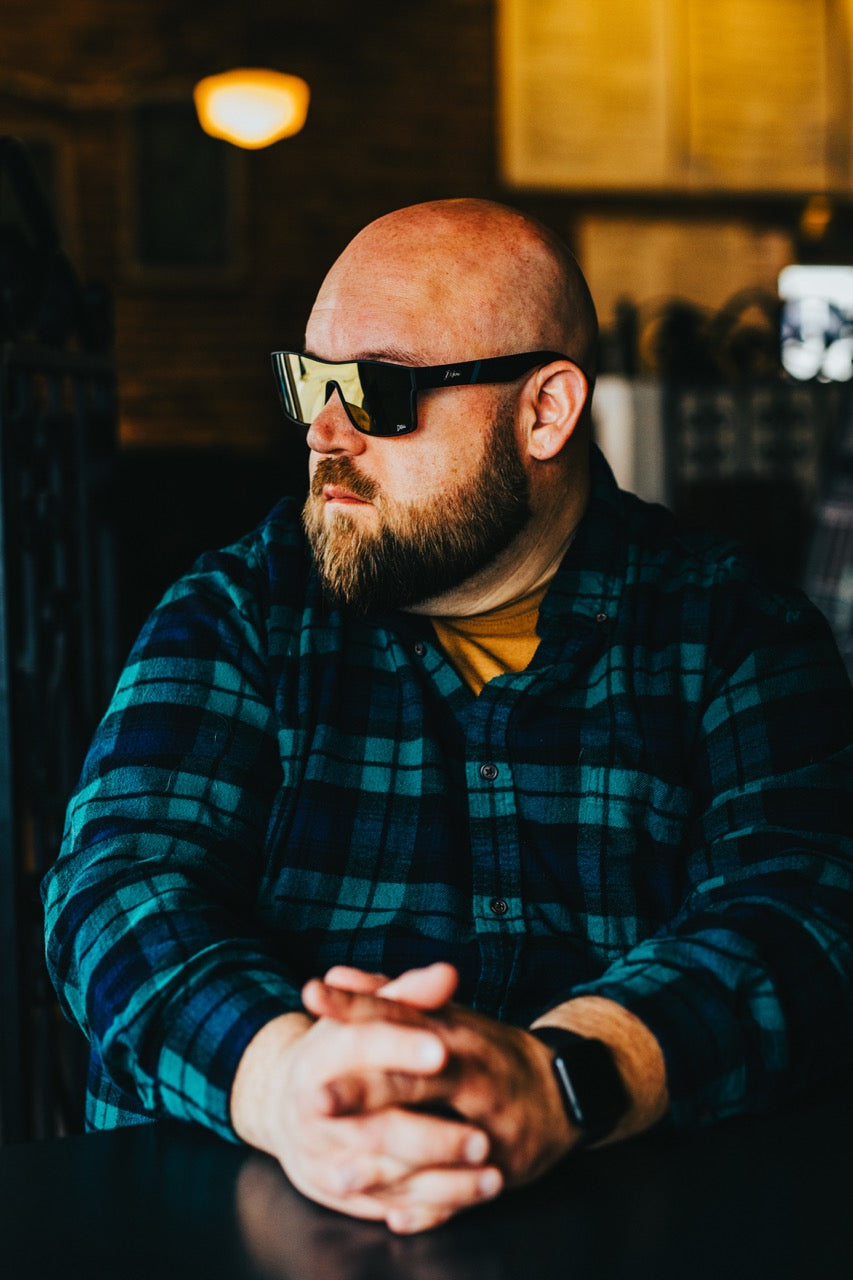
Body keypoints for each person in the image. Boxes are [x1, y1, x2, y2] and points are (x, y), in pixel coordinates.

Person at [43, 198, 853, 1236]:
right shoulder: (239, 612)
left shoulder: (732, 631)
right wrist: (288, 1074)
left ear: (544, 412)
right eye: (308, 382)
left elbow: (806, 909)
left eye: (375, 392)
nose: (322, 434)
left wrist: (557, 1076)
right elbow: (118, 886)